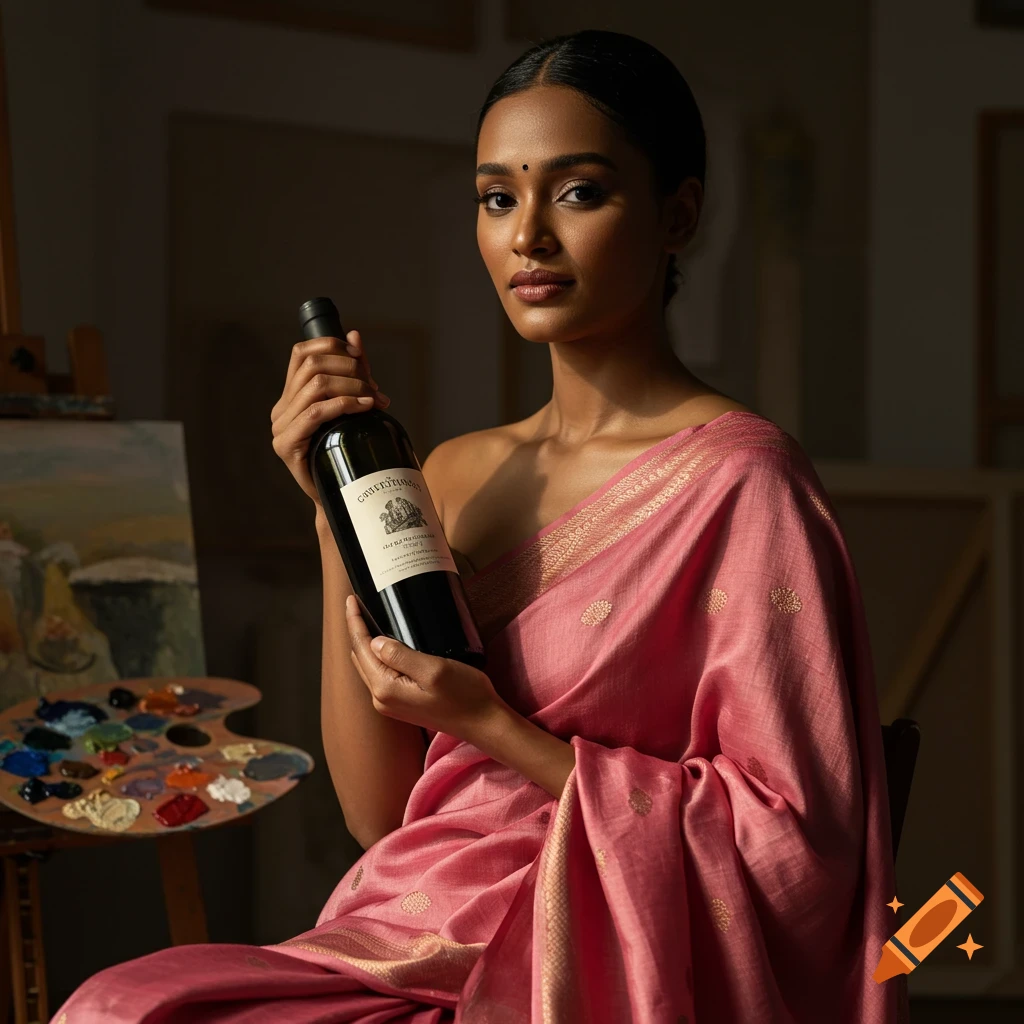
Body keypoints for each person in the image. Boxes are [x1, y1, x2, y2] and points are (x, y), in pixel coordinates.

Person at [54, 29, 898, 1023]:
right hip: (405, 932)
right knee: (122, 1008)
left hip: (603, 963)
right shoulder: (445, 473)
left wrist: (491, 724)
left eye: (578, 191)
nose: (527, 236)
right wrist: (335, 514)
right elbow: (382, 816)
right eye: (498, 198)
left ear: (678, 213)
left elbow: (797, 840)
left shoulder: (743, 481)